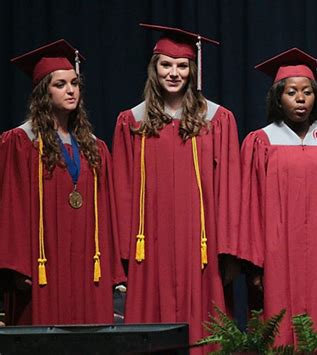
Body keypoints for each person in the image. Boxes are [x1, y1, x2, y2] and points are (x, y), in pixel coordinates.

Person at [111, 24, 241, 351]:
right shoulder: (132, 122)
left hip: (202, 246)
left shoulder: (218, 119)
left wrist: (228, 251)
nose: (174, 73)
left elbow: (230, 189)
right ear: (154, 69)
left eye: (182, 66)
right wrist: (123, 255)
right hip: (149, 245)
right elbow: (122, 190)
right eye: (166, 65)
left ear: (193, 71)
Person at [0, 39, 125, 325]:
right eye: (60, 84)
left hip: (87, 263)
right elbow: (12, 206)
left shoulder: (95, 148)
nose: (70, 90)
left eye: (74, 83)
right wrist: (18, 267)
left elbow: (105, 213)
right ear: (44, 92)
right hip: (42, 261)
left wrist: (110, 267)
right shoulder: (22, 142)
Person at [237, 48, 317, 345]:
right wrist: (255, 263)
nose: (300, 99)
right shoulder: (260, 142)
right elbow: (250, 207)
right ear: (278, 97)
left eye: (307, 92)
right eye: (291, 92)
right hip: (278, 254)